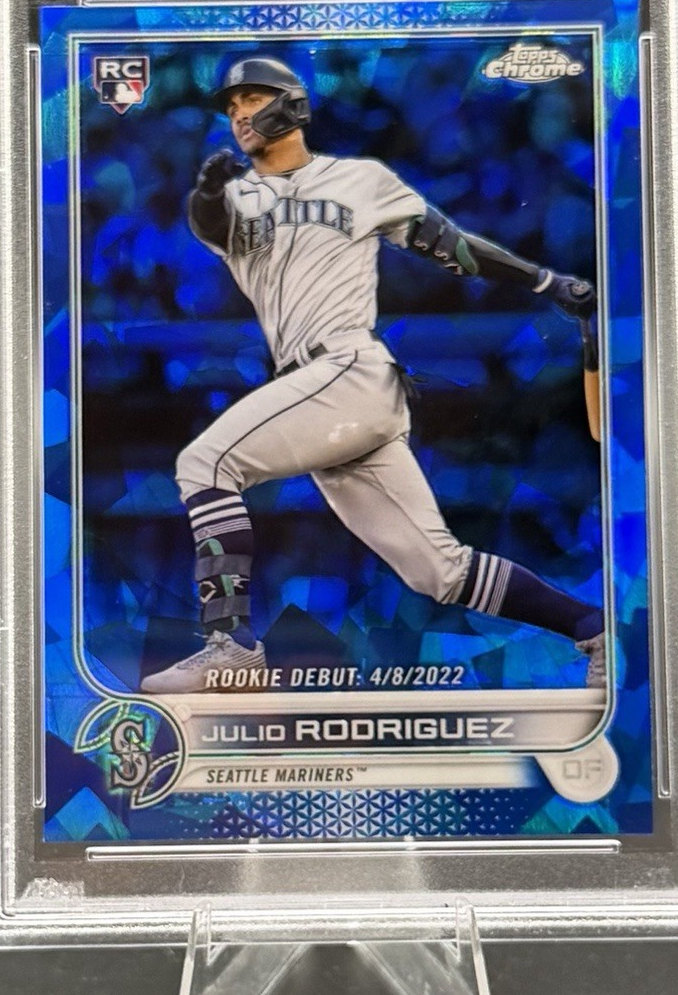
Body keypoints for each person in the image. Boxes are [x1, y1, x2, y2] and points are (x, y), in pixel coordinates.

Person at [142, 55, 603, 695]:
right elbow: (209, 224)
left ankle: (231, 645)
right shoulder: (235, 198)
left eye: (253, 98)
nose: (240, 113)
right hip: (324, 394)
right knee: (438, 571)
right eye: (232, 105)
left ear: (293, 105)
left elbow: (452, 245)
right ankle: (593, 628)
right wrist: (206, 191)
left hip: (347, 369)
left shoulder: (360, 179)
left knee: (205, 463)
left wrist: (546, 281)